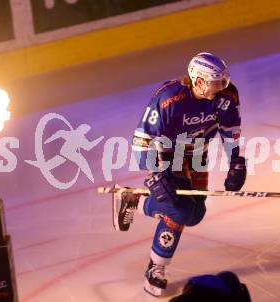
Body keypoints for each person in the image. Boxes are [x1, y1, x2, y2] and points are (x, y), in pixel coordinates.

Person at [112, 52, 247, 296]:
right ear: (198, 81)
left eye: (223, 81)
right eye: (216, 82)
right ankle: (156, 269)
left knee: (195, 213)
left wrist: (236, 161)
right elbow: (142, 140)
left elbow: (230, 130)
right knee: (179, 209)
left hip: (197, 153)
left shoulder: (226, 96)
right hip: (166, 155)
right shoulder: (168, 99)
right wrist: (155, 175)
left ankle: (135, 200)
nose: (221, 87)